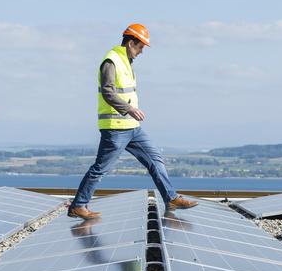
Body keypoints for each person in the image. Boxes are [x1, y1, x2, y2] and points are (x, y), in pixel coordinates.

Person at [68, 23, 198, 219]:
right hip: (116, 128)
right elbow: (108, 92)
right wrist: (130, 109)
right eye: (140, 47)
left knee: (155, 160)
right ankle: (78, 205)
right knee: (100, 168)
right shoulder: (111, 61)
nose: (142, 51)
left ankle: (171, 197)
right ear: (130, 43)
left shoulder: (126, 61)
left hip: (133, 128)